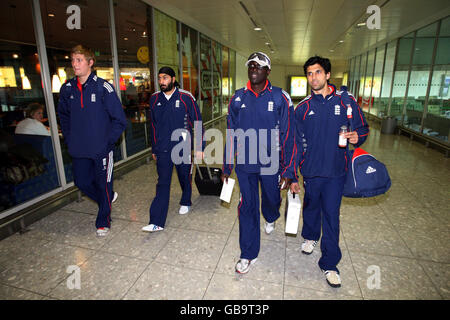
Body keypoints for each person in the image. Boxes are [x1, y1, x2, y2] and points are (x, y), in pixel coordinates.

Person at [290, 56, 369, 288]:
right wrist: (292, 174)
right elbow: (295, 142)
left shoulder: (346, 101)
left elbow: (362, 127)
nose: (313, 77)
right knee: (311, 206)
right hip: (311, 171)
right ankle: (311, 236)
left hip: (336, 171)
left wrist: (358, 137)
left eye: (317, 72)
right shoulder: (302, 108)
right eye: (309, 73)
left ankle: (330, 264)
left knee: (331, 215)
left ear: (327, 75)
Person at [221, 52, 296, 274]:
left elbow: (288, 135)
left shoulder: (280, 98)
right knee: (247, 207)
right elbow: (231, 133)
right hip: (245, 165)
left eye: (259, 66)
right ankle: (248, 253)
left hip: (272, 163)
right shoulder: (237, 98)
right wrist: (227, 166)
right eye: (251, 65)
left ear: (268, 71)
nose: (254, 68)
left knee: (271, 200)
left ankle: (271, 216)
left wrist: (289, 169)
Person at [58, 44, 127, 237]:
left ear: (90, 62)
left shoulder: (103, 88)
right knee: (81, 182)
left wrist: (108, 143)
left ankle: (103, 220)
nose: (75, 64)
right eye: (72, 60)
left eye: (79, 60)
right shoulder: (67, 89)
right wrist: (70, 139)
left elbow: (120, 120)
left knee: (104, 183)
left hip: (101, 149)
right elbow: (63, 116)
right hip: (79, 148)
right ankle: (106, 199)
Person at [142, 66, 204, 232]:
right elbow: (153, 126)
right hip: (163, 148)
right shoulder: (154, 99)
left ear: (173, 79)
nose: (162, 81)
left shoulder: (185, 97)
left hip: (183, 147)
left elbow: (197, 121)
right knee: (162, 183)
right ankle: (156, 221)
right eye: (160, 78)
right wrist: (154, 148)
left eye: (165, 78)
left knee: (185, 177)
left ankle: (185, 201)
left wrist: (199, 147)